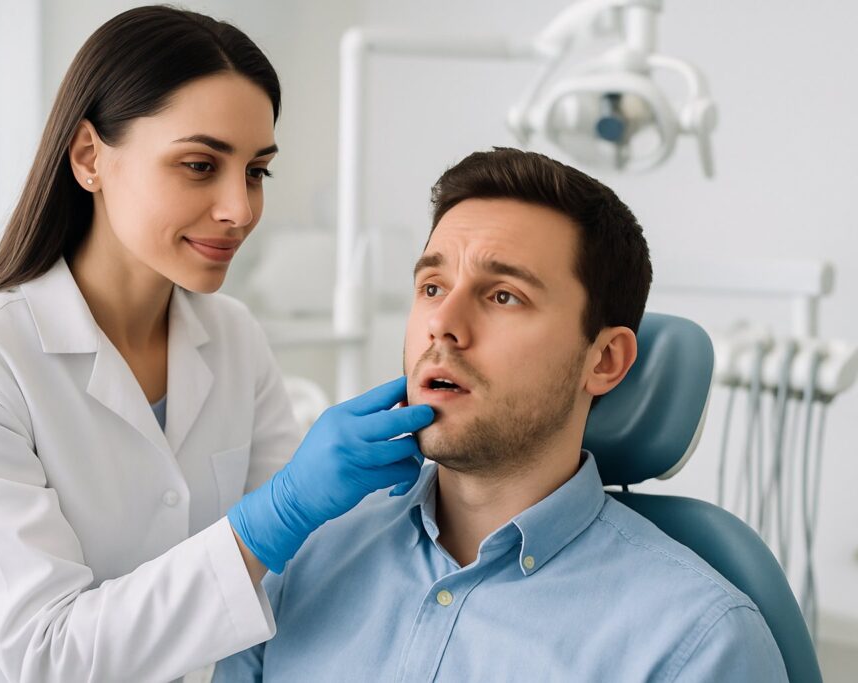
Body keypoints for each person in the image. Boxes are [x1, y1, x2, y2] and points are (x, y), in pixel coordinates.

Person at [0, 7, 432, 682]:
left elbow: (288, 577)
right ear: (90, 158)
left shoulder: (233, 338)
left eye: (257, 171)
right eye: (200, 165)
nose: (241, 209)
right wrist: (272, 516)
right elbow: (51, 653)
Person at [213, 148, 789, 682]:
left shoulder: (697, 642)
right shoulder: (299, 559)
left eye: (503, 296)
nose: (443, 323)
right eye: (432, 286)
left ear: (605, 360)